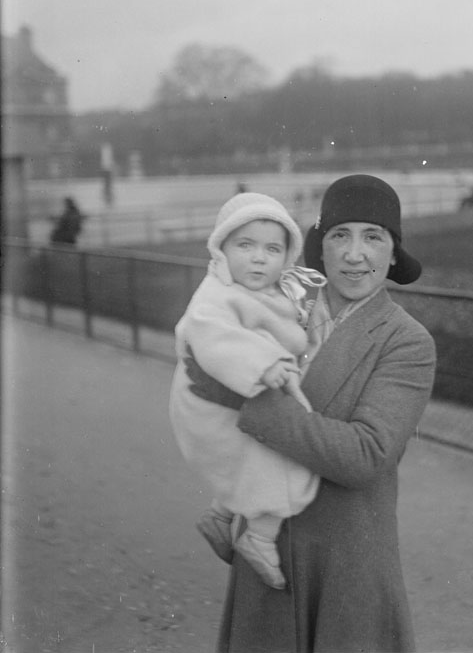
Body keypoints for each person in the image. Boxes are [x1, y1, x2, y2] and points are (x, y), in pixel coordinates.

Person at [183, 174, 436, 653]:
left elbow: (365, 455)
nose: (355, 254)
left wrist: (246, 399)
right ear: (320, 247)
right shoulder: (277, 310)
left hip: (347, 572)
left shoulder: (405, 341)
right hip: (268, 564)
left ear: (392, 253)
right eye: (340, 235)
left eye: (373, 237)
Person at [169, 192, 326, 590]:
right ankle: (259, 538)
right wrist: (264, 364)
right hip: (208, 401)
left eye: (272, 249)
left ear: (287, 257)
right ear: (221, 248)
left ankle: (221, 515)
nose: (259, 258)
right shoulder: (215, 293)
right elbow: (213, 336)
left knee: (254, 458)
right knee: (282, 463)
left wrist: (299, 336)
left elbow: (280, 330)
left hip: (233, 394)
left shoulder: (266, 292)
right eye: (245, 245)